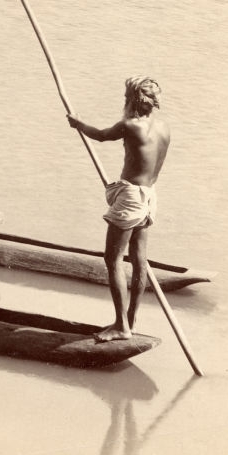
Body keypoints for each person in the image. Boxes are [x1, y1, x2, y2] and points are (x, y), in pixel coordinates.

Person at [67, 76, 171, 342]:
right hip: (149, 196)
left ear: (131, 100)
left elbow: (101, 136)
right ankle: (131, 322)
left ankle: (120, 326)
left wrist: (78, 124)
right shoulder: (164, 128)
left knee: (112, 259)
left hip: (131, 197)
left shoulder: (129, 125)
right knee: (139, 261)